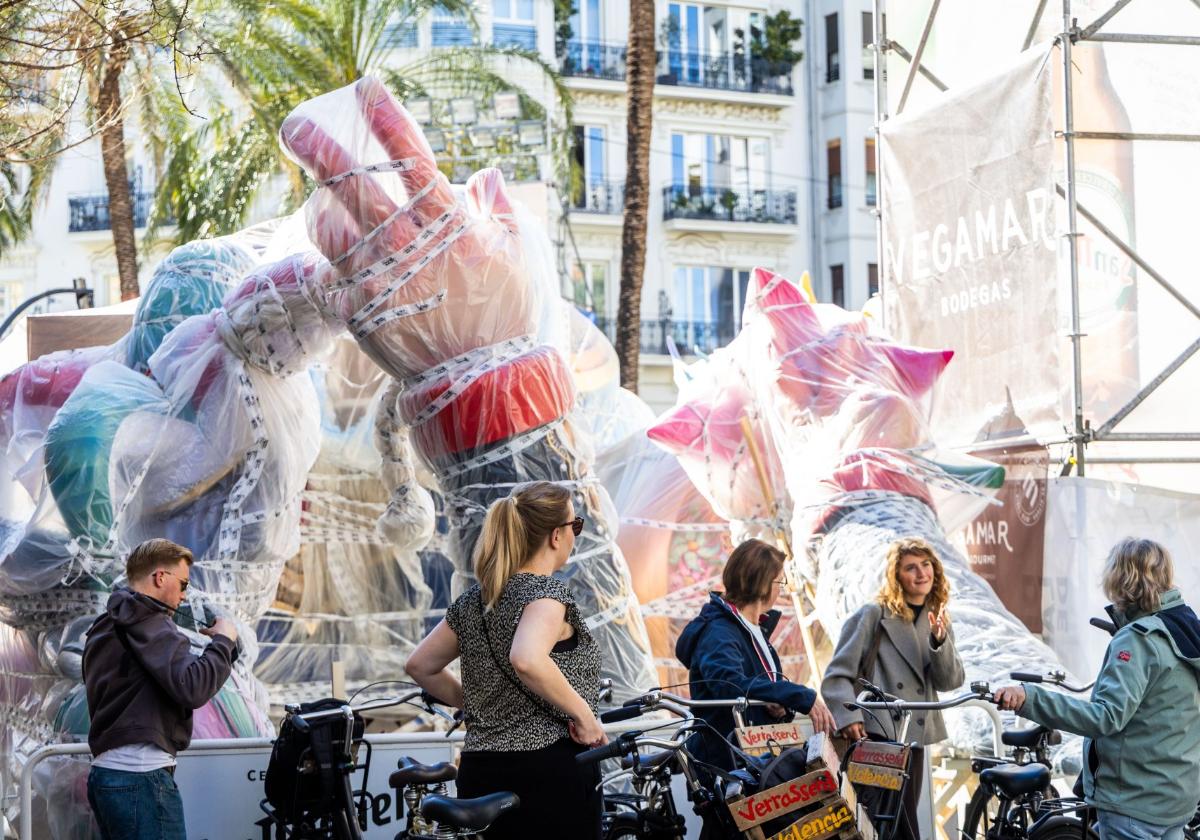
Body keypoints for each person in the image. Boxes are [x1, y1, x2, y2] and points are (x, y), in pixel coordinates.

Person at [405, 481, 606, 840]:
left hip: (481, 768)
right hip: (545, 769)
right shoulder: (546, 594)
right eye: (576, 525)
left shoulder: (474, 601)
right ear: (556, 535)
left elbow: (420, 665)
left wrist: (473, 702)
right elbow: (527, 659)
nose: (577, 534)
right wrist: (586, 718)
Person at [996, 538, 1200, 840]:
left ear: (1120, 579)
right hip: (1176, 797)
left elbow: (1105, 717)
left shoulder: (1139, 639)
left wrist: (1031, 698)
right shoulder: (1186, 626)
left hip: (1135, 802)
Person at [83, 539, 240, 840]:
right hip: (141, 777)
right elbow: (192, 687)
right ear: (160, 577)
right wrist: (223, 641)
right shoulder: (150, 621)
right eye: (183, 584)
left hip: (106, 775)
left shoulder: (104, 625)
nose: (183, 596)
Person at [820, 536, 965, 840]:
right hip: (878, 737)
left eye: (927, 565)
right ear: (895, 576)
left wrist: (940, 642)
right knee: (889, 823)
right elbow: (836, 676)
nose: (922, 573)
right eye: (911, 567)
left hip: (914, 739)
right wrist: (849, 718)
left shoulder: (936, 617)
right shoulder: (872, 615)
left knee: (900, 820)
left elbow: (950, 682)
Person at [675, 538, 836, 771]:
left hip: (756, 759)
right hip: (729, 766)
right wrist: (796, 694)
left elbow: (761, 688)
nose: (781, 588)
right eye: (780, 581)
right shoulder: (719, 632)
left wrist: (781, 705)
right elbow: (727, 685)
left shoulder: (752, 627)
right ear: (763, 585)